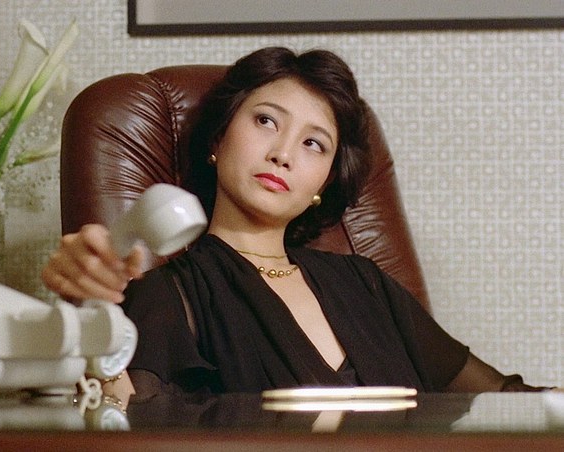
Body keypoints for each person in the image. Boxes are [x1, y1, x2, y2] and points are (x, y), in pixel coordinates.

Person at [42, 47, 548, 401]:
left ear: (323, 183)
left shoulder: (368, 284)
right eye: (266, 120)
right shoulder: (173, 294)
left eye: (313, 144)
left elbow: (504, 399)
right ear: (218, 139)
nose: (283, 153)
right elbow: (124, 419)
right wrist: (84, 310)